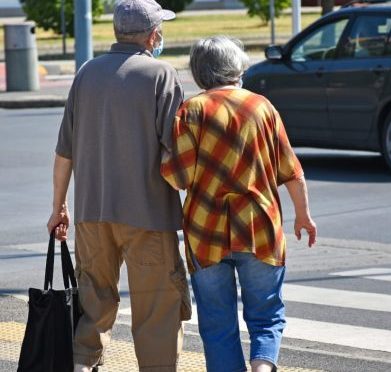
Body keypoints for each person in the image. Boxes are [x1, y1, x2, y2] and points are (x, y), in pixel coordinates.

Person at [47, 0, 191, 371]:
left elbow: (65, 151)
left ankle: (81, 367)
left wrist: (59, 207)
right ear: (152, 34)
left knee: (93, 307)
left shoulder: (86, 74)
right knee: (157, 312)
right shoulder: (161, 75)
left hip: (92, 215)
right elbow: (176, 153)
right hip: (149, 216)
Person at [161, 36, 317, 372]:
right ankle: (263, 368)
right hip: (259, 228)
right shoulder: (262, 107)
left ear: (200, 72)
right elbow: (291, 170)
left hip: (206, 233)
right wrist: (303, 215)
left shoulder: (192, 111)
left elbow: (178, 177)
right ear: (237, 66)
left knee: (217, 326)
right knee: (266, 316)